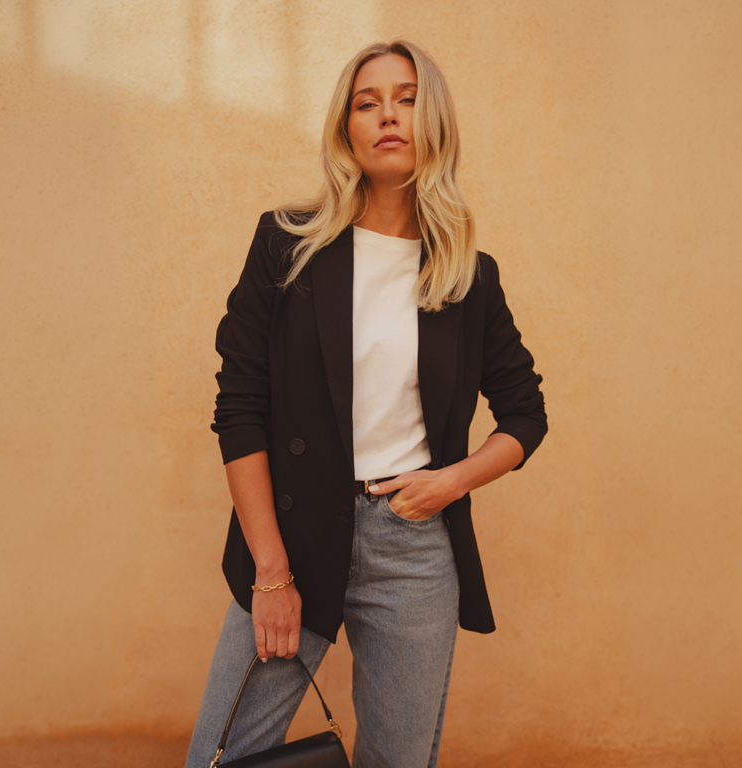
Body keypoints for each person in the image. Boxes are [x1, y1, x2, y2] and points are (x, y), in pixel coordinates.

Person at [185, 39, 547, 768]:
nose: (388, 115)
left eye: (408, 98)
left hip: (415, 550)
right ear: (346, 128)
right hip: (293, 537)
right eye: (367, 101)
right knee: (222, 757)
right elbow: (240, 407)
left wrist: (452, 481)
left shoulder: (468, 277)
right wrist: (271, 573)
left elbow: (525, 413)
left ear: (434, 122)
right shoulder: (285, 246)